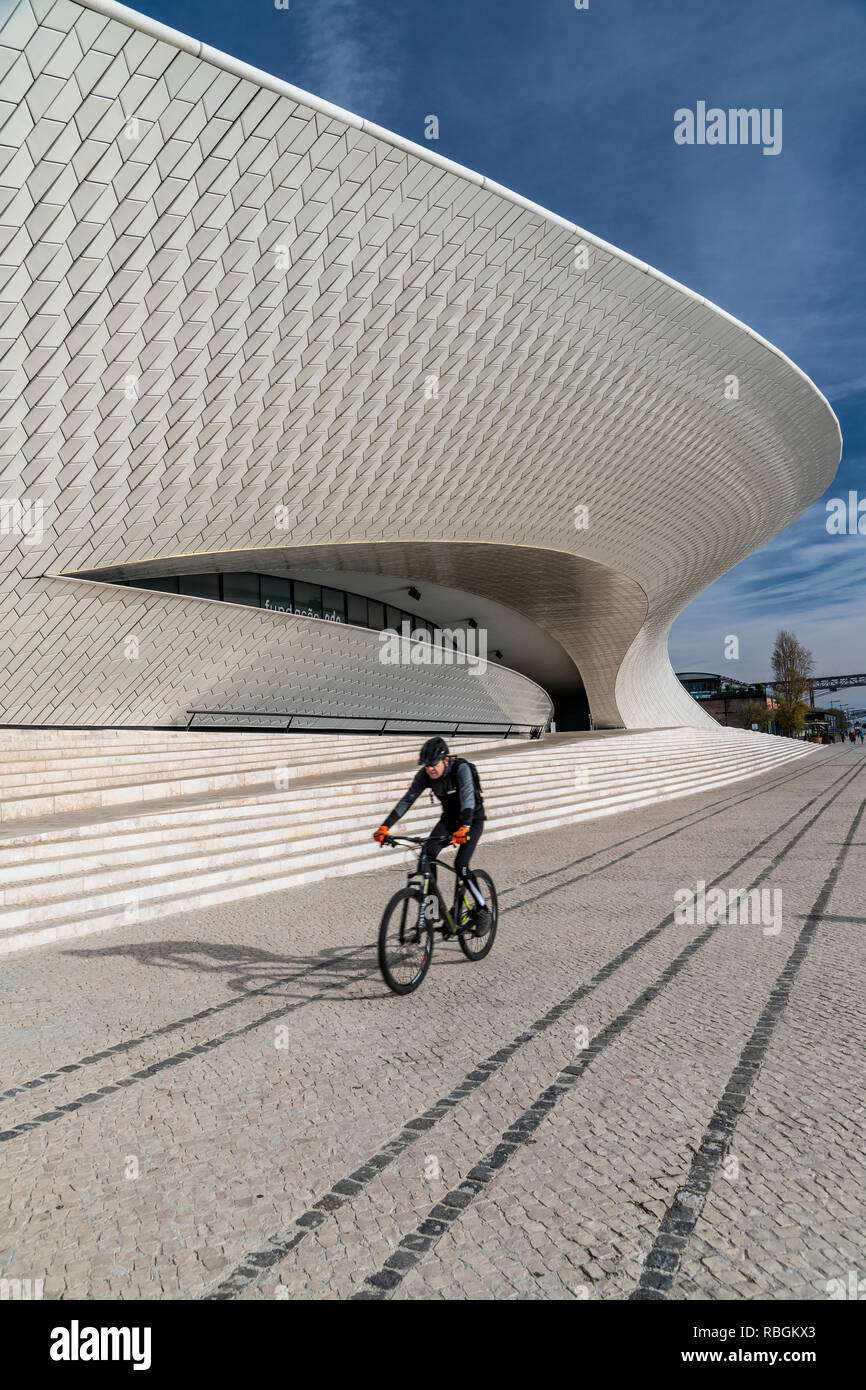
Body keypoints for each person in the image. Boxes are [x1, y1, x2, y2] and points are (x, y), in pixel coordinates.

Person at [374, 737, 489, 929]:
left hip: (472, 820)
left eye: (433, 764)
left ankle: (483, 909)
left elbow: (468, 798)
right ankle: (433, 912)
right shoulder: (424, 775)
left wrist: (465, 826)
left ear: (445, 760)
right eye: (426, 765)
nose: (430, 769)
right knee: (426, 857)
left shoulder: (461, 769)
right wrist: (385, 827)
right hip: (449, 820)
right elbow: (407, 800)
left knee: (461, 865)